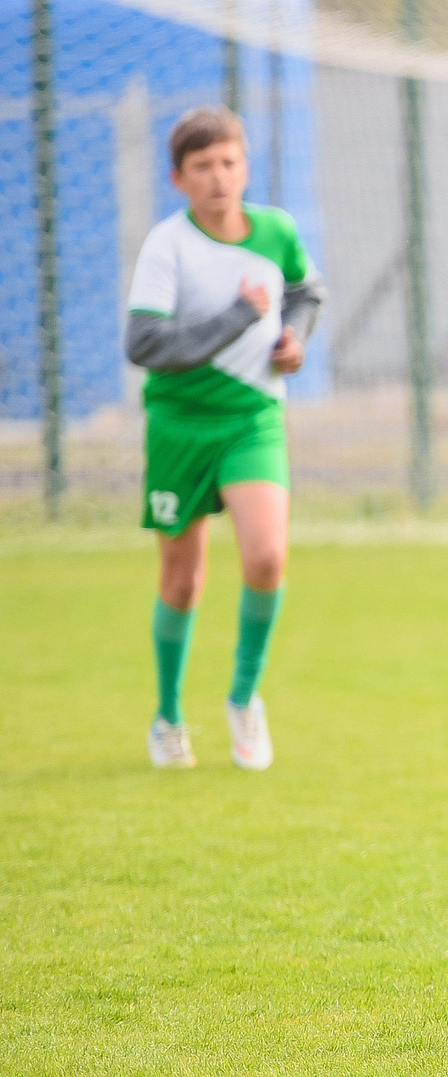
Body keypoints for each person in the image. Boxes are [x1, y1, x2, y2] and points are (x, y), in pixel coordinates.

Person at [126, 106, 325, 771]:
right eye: (202, 166)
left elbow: (304, 290)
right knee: (183, 581)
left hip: (252, 418)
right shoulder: (168, 245)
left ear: (246, 165)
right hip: (180, 426)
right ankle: (168, 715)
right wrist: (240, 317)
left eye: (229, 163)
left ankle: (244, 698)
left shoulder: (275, 229)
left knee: (266, 556)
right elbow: (146, 344)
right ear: (178, 177)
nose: (219, 177)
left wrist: (295, 336)